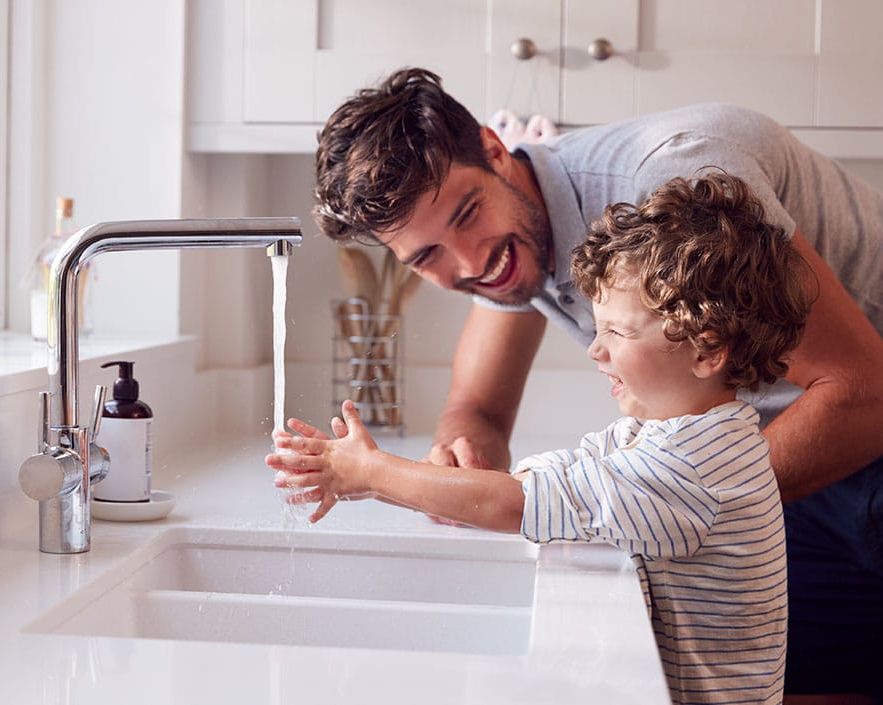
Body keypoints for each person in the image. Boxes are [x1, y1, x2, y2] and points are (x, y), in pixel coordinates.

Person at [311, 68, 883, 701]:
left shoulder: (669, 196)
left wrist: (634, 503)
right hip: (787, 445)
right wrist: (464, 459)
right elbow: (476, 408)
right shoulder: (505, 252)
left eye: (467, 214)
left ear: (494, 150)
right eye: (426, 258)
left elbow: (864, 392)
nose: (468, 262)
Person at [268, 172, 813, 704]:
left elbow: (522, 503)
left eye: (616, 333)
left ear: (706, 350)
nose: (594, 352)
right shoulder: (673, 433)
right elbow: (549, 483)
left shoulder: (690, 469)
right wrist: (367, 482)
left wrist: (373, 470)